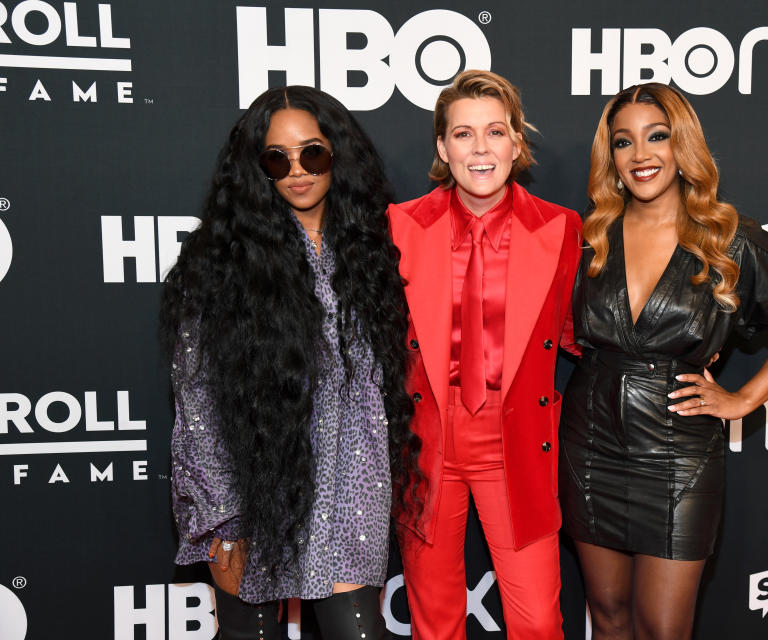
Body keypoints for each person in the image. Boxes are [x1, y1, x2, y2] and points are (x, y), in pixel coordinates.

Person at [559, 83, 768, 640]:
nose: (641, 155)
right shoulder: (590, 236)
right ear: (610, 155)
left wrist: (744, 399)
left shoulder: (729, 240)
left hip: (678, 453)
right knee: (607, 617)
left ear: (683, 145)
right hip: (590, 444)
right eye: (623, 142)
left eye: (657, 137)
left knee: (662, 628)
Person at [160, 86, 418, 640]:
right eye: (277, 158)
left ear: (337, 156)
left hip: (352, 491)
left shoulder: (372, 251)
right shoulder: (218, 262)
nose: (297, 171)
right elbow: (197, 399)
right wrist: (224, 514)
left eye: (314, 153)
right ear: (258, 169)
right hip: (253, 493)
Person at [387, 69, 582, 639]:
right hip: (428, 442)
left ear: (517, 143)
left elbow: (582, 331)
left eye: (495, 132)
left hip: (517, 443)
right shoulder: (398, 227)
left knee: (539, 621)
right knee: (435, 618)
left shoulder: (560, 228)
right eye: (464, 134)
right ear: (442, 147)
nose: (480, 149)